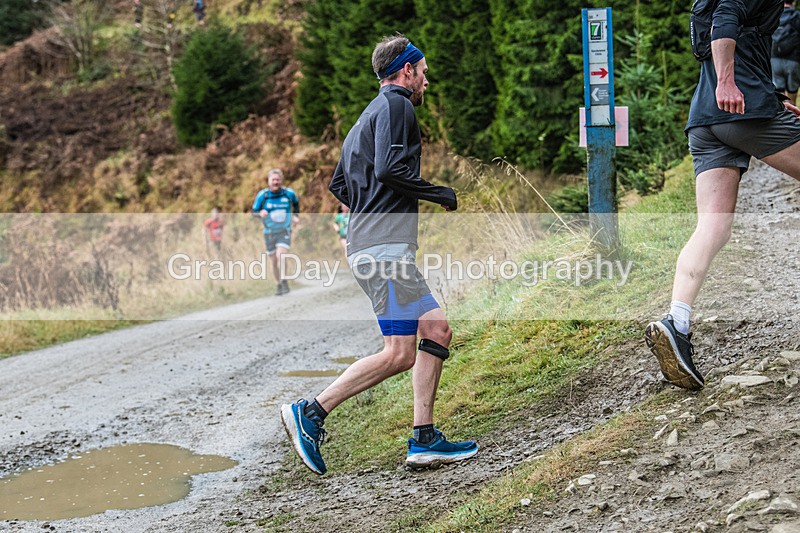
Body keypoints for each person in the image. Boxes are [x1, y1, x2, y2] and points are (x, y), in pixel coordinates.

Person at [280, 34, 478, 475]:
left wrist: (365, 220)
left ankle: (424, 438)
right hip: (384, 249)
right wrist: (438, 193)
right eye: (423, 72)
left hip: (377, 246)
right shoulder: (396, 105)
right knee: (398, 351)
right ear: (406, 71)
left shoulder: (363, 120)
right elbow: (390, 170)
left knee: (436, 329)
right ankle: (311, 413)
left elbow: (339, 184)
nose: (427, 80)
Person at [645, 0, 800, 391]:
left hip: (707, 117)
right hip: (741, 110)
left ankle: (676, 323)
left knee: (713, 228)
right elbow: (726, 19)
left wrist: (769, 93)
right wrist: (730, 82)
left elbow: (741, 37)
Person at [252, 169, 300, 296]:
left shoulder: (288, 193)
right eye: (273, 180)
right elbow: (254, 211)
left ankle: (284, 280)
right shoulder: (263, 195)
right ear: (268, 181)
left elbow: (296, 203)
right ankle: (278, 283)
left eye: (277, 179)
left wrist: (295, 216)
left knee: (281, 255)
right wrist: (260, 213)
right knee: (273, 261)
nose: (275, 182)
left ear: (281, 181)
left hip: (284, 230)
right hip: (269, 232)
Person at [771, 0, 800, 104]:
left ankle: (783, 116)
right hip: (793, 60)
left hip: (774, 59)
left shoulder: (774, 15)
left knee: (779, 94)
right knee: (792, 93)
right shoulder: (797, 16)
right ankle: (794, 116)